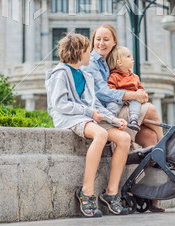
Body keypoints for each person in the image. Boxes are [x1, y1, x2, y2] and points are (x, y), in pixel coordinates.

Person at [45, 33, 131, 218]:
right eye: (88, 51)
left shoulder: (85, 74)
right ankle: (86, 192)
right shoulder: (60, 73)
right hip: (68, 117)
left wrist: (113, 119)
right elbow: (60, 104)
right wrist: (89, 113)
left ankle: (111, 193)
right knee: (101, 135)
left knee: (124, 138)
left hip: (85, 116)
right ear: (80, 52)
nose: (91, 54)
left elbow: (94, 105)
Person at [82, 24, 165, 212]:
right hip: (107, 113)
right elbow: (101, 92)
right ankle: (166, 150)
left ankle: (149, 192)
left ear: (114, 43)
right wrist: (132, 96)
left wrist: (136, 93)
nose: (101, 43)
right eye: (98, 39)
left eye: (106, 39)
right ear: (93, 40)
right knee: (150, 109)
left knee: (150, 139)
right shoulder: (92, 61)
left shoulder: (109, 61)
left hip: (120, 109)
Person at [106, 46, 146, 133]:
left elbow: (141, 89)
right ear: (119, 62)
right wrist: (124, 98)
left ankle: (133, 120)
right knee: (112, 106)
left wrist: (143, 96)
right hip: (118, 100)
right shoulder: (114, 76)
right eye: (128, 57)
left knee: (136, 103)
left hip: (132, 100)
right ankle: (110, 123)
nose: (132, 58)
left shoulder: (135, 77)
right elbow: (111, 89)